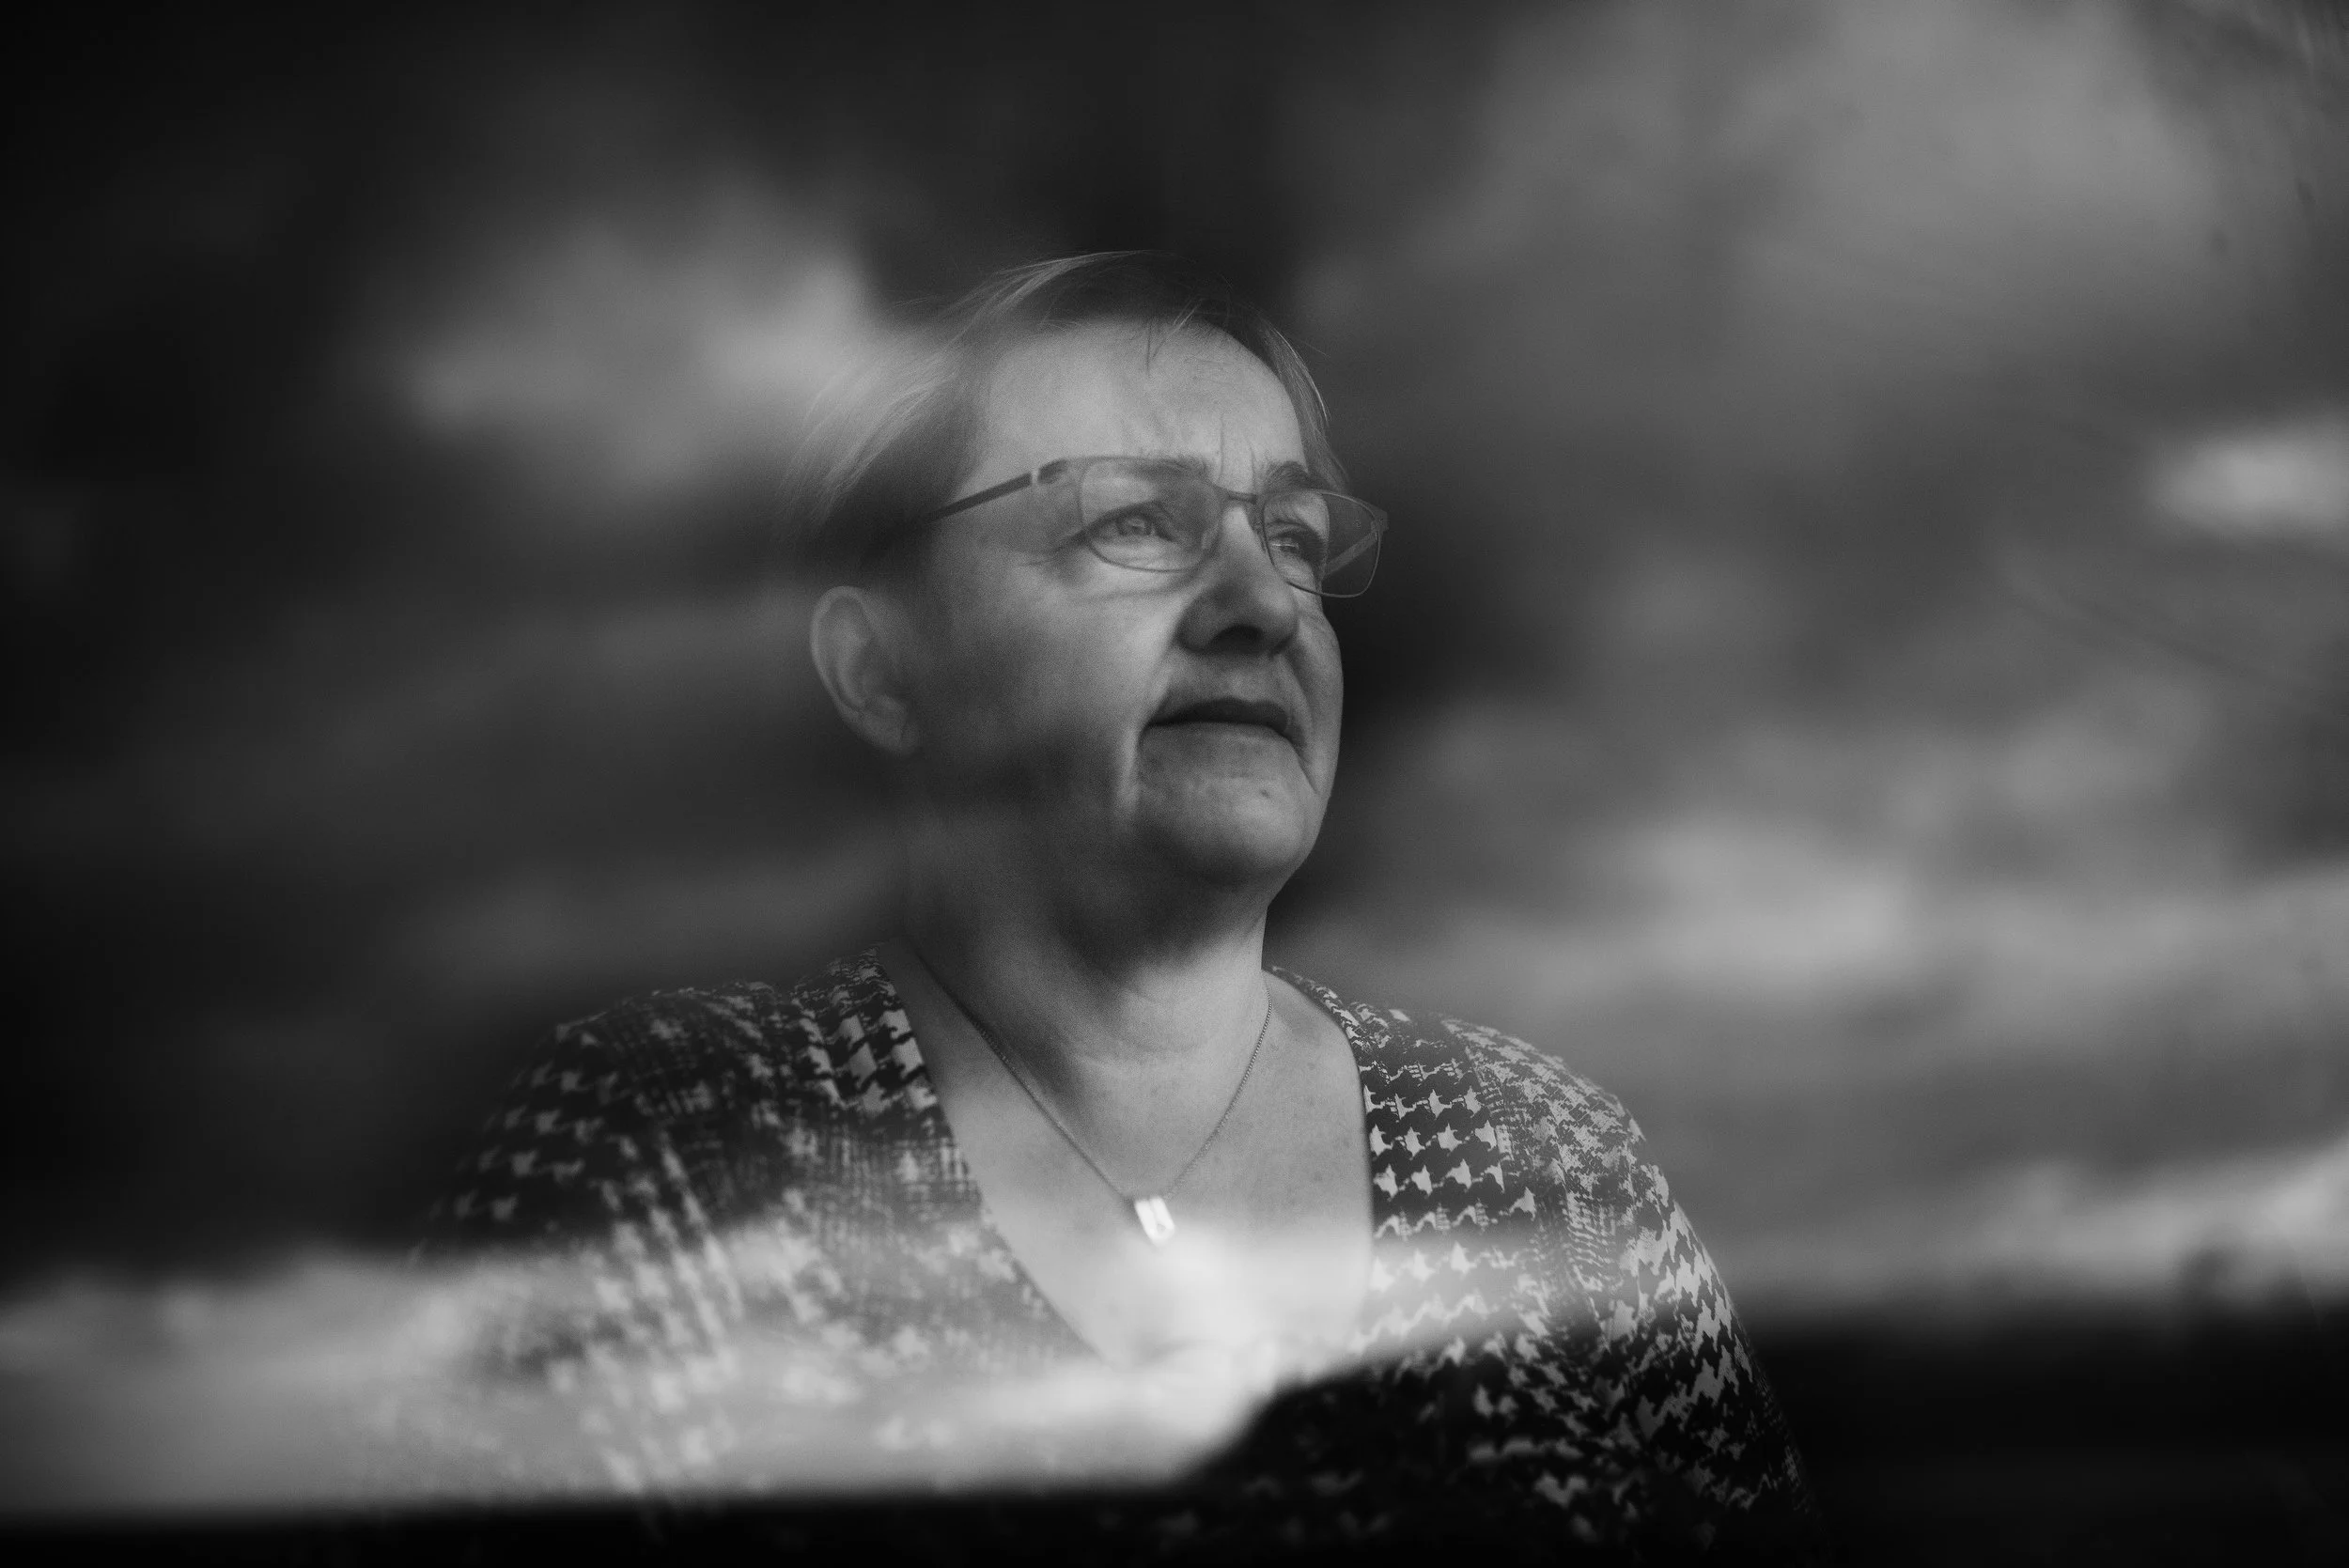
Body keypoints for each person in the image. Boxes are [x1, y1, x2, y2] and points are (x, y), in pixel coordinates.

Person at [412, 252, 1819, 1558]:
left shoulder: (1551, 1163)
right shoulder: (669, 1140)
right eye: (1136, 521)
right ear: (882, 668)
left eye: (1295, 537)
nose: (1261, 604)